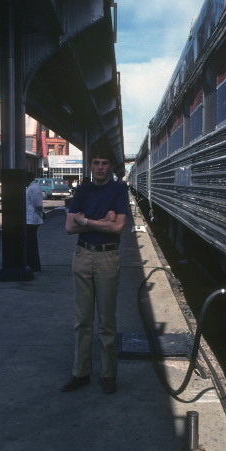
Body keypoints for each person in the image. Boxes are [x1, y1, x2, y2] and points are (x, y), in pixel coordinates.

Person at [62, 145, 129, 394]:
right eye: (96, 162)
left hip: (107, 258)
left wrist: (85, 220)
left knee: (107, 321)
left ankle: (108, 374)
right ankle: (81, 373)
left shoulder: (118, 190)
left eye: (104, 163)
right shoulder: (82, 190)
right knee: (82, 320)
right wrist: (101, 222)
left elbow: (117, 228)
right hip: (82, 255)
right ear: (90, 165)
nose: (100, 167)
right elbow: (69, 228)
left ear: (110, 167)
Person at [26, 172, 44, 272]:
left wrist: (41, 213)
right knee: (30, 242)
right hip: (30, 219)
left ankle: (34, 265)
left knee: (31, 243)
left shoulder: (33, 188)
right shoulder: (32, 187)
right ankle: (33, 264)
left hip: (32, 219)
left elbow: (38, 205)